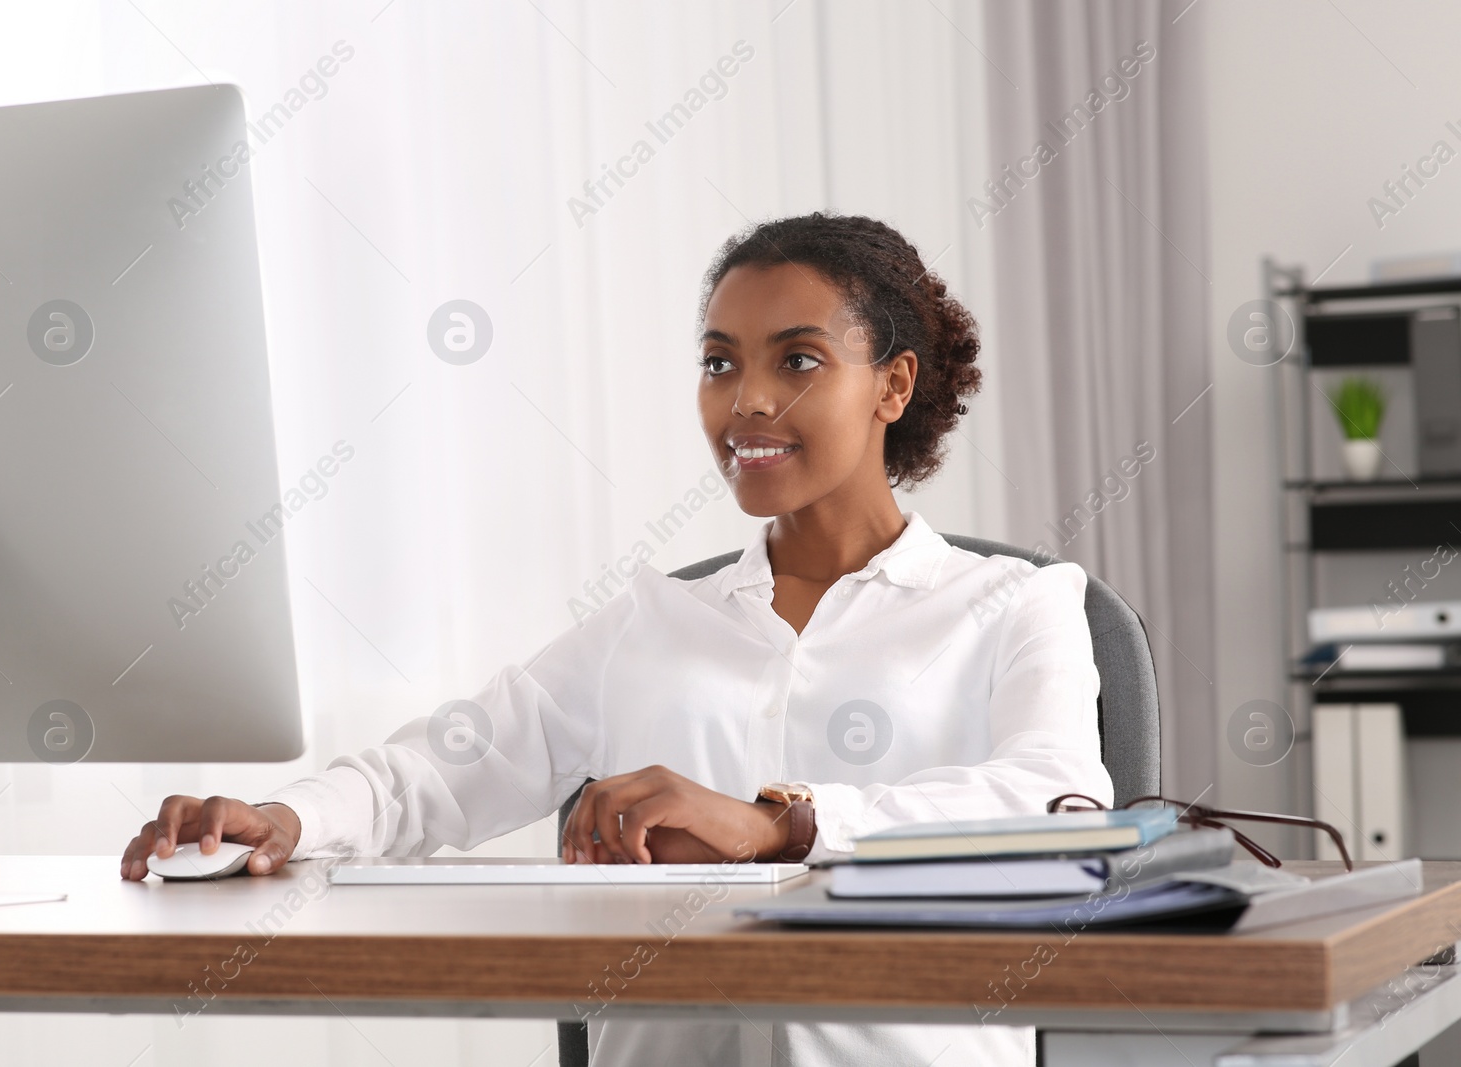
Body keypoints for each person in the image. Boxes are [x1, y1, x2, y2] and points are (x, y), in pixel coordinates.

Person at [121, 212, 1113, 1066]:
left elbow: (1058, 812)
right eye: (720, 361)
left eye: (797, 359)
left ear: (891, 385)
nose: (747, 399)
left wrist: (778, 823)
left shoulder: (1014, 604)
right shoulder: (651, 622)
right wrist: (284, 817)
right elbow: (434, 769)